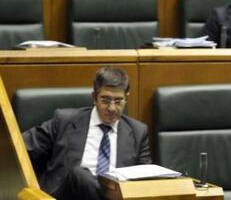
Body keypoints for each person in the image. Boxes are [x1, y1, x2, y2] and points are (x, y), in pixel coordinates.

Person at [23, 66, 151, 200]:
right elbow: (19, 148)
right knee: (80, 174)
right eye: (105, 100)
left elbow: (145, 180)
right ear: (94, 97)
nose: (112, 108)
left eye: (118, 101)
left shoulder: (138, 132)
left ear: (126, 98)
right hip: (65, 196)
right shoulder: (64, 121)